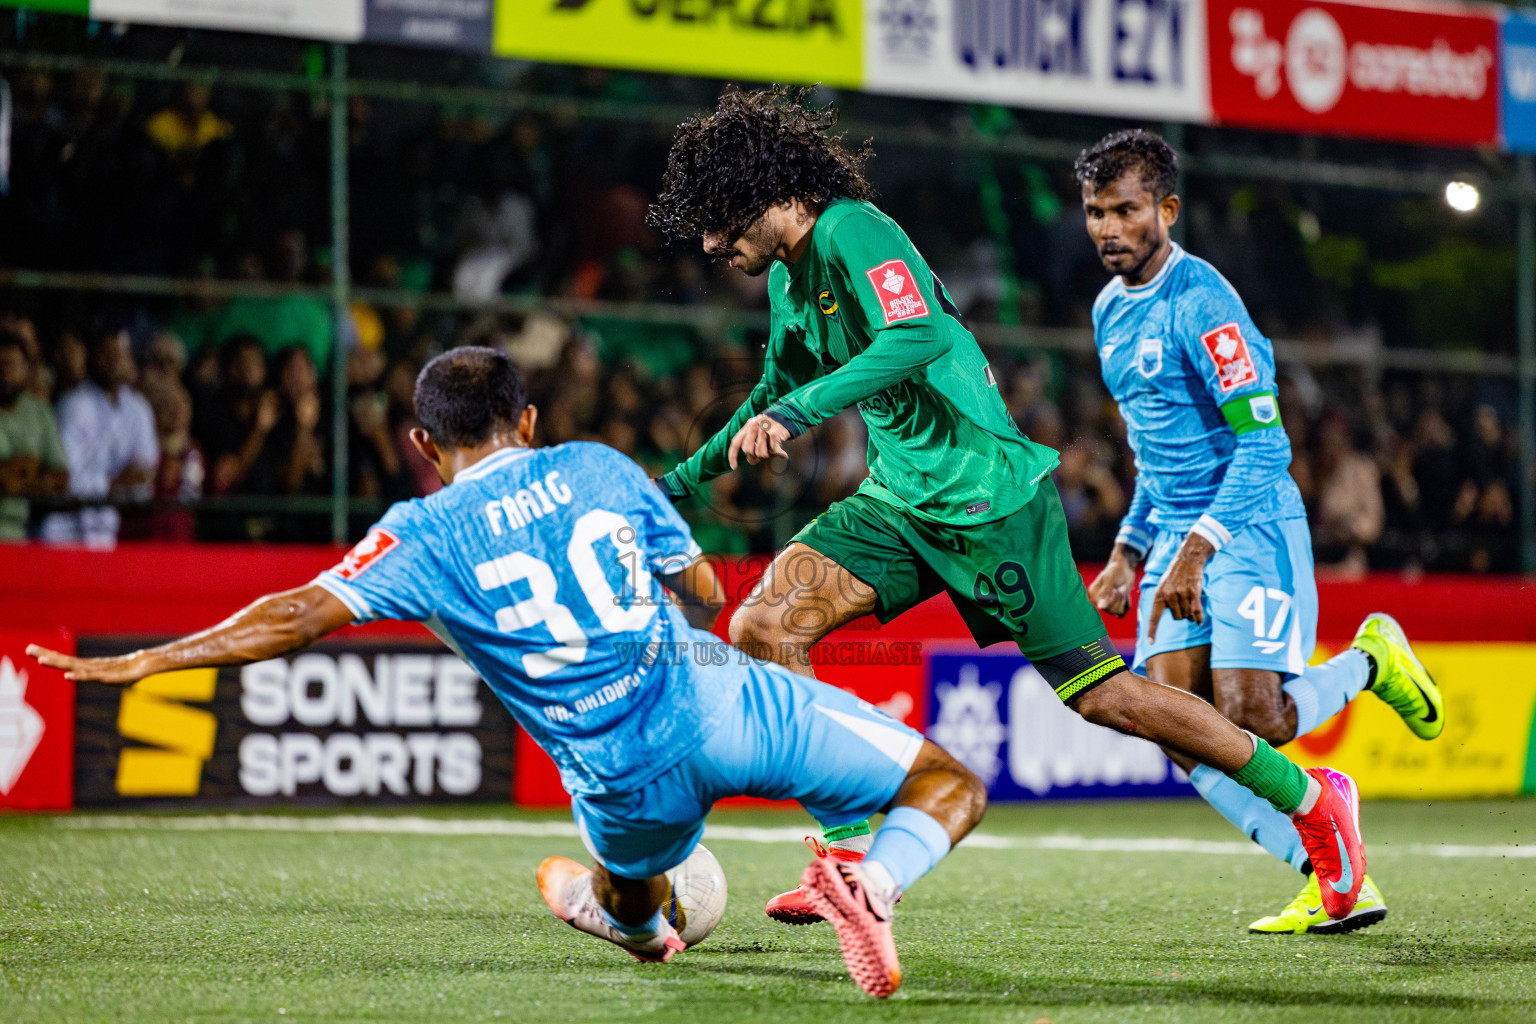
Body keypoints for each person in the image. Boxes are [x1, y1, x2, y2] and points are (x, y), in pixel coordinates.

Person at [33, 347, 981, 998]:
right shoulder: (601, 466)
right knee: (949, 785)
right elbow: (697, 584)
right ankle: (875, 882)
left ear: (423, 445)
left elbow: (295, 616)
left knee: (633, 897)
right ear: (527, 419)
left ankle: (638, 925)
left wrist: (150, 659)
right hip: (723, 701)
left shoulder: (420, 532)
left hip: (622, 777)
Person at [645, 87, 1370, 932]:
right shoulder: (788, 280)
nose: (709, 242)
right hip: (899, 500)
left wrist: (798, 416)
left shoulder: (855, 230)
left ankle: (1314, 799)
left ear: (768, 193)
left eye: (721, 220)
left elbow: (913, 337)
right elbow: (773, 391)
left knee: (1107, 699)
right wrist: (673, 485)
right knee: (764, 627)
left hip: (990, 502)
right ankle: (845, 858)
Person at [1076, 129, 1443, 935]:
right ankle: (1328, 867)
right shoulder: (1107, 312)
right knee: (1170, 722)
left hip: (1246, 525)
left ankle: (1369, 661)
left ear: (1166, 210)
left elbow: (1267, 443)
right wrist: (1129, 552)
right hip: (1176, 536)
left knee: (1256, 718)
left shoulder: (1204, 303)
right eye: (1096, 212)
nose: (1108, 228)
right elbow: (1154, 454)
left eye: (1126, 210)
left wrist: (1200, 550)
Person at [41, 327, 158, 546]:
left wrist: (114, 485)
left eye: (121, 354)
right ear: (92, 357)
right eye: (107, 355)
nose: (114, 362)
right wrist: (115, 483)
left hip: (107, 533)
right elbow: (66, 480)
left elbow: (145, 480)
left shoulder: (138, 408)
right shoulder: (74, 404)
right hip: (63, 533)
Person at [0, 325, 69, 540]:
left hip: (25, 530)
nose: (4, 372)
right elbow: (5, 480)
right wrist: (28, 468)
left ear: (27, 369)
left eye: (11, 365)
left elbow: (60, 475)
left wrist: (24, 481)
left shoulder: (39, 411)